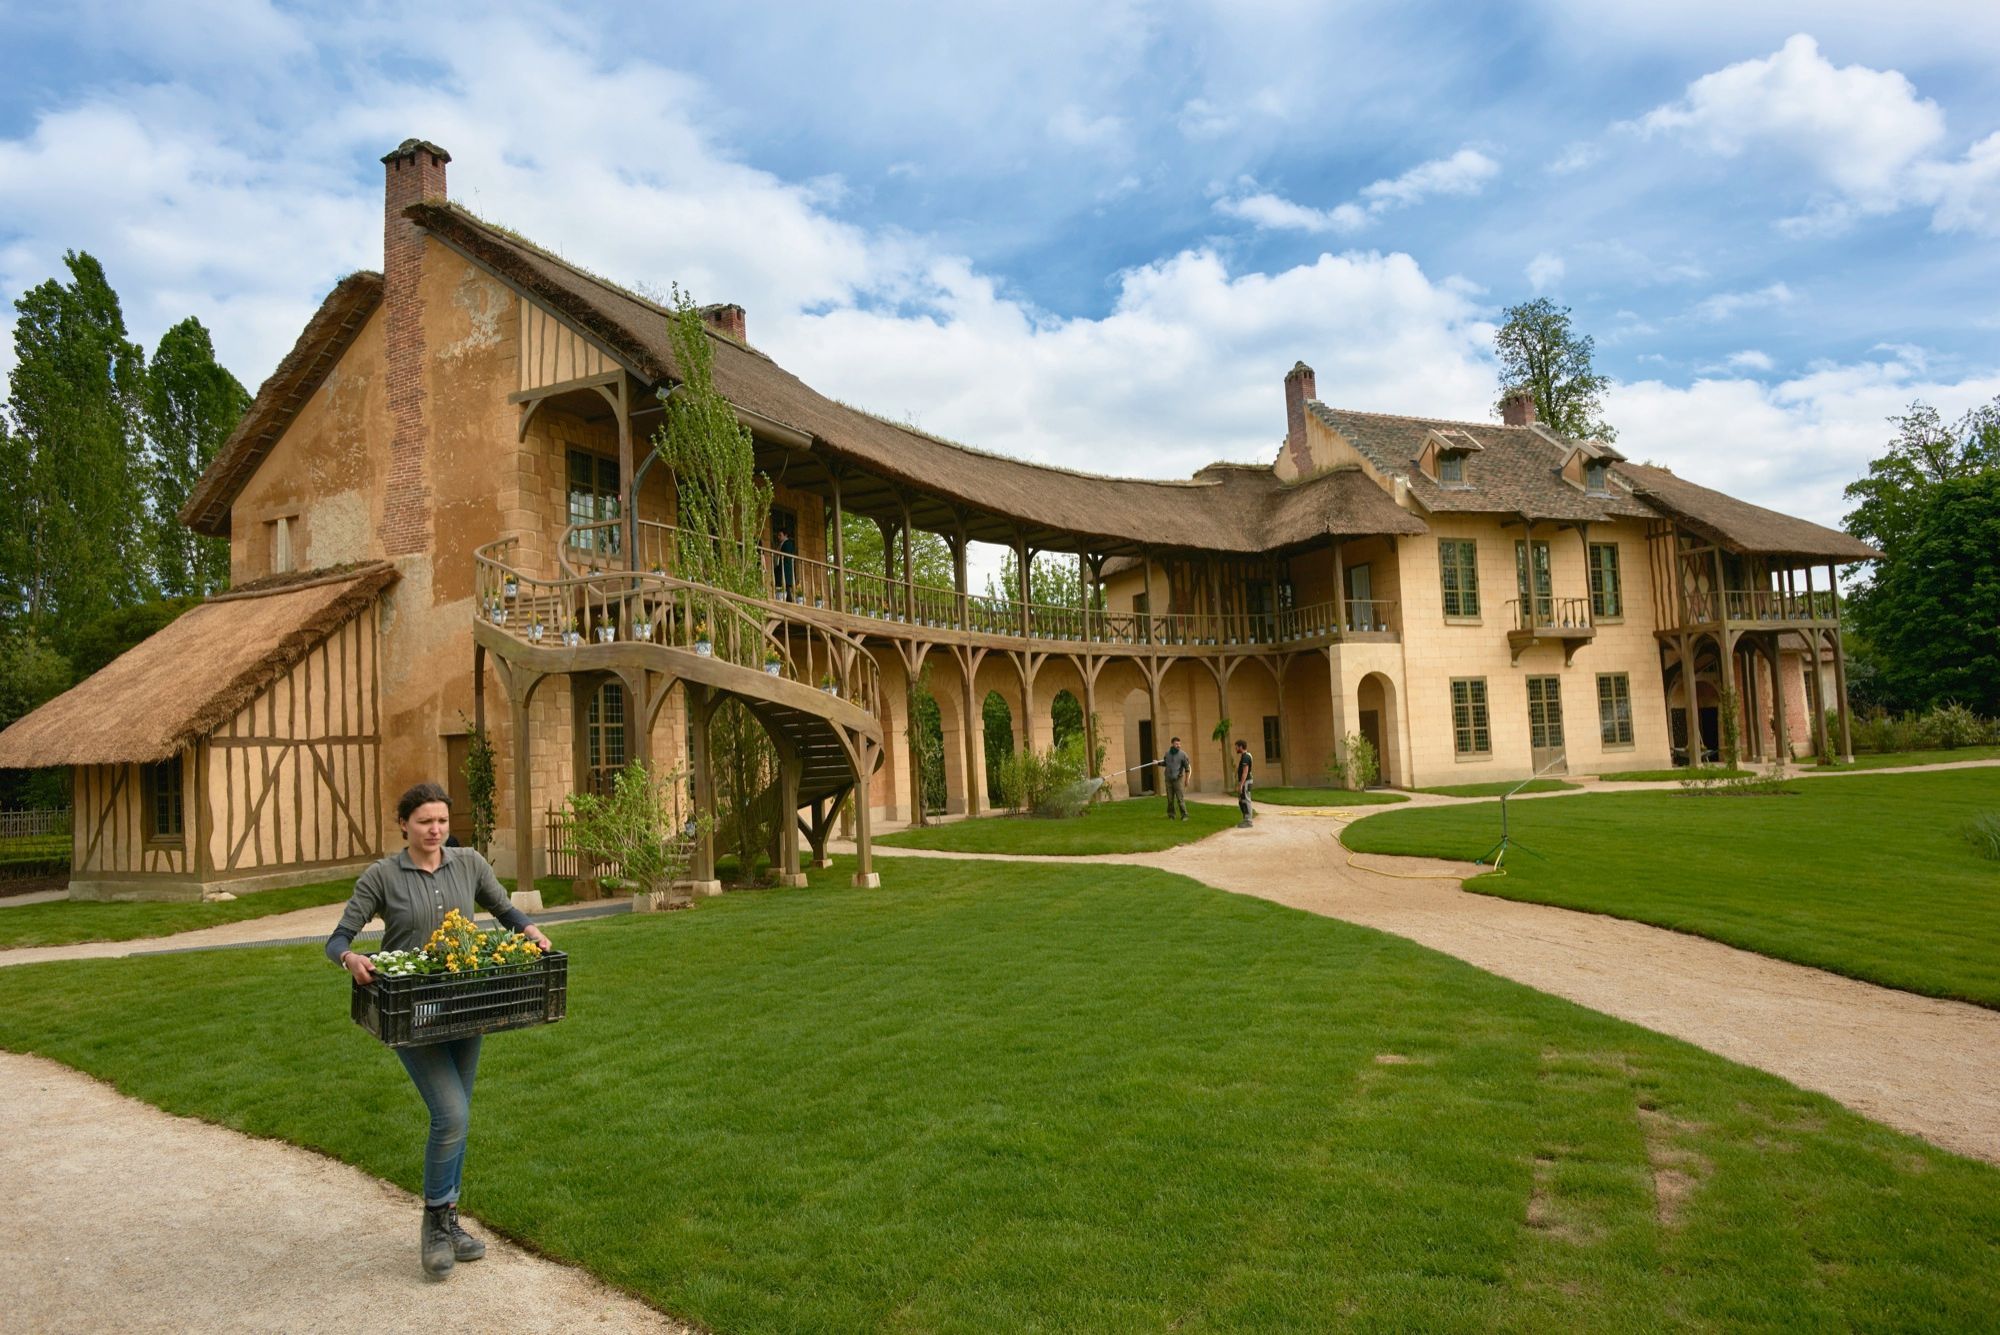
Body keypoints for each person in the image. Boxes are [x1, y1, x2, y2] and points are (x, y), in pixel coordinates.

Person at [327, 781, 553, 1280]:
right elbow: (339, 936)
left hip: (465, 1005)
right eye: (426, 821)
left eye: (443, 822)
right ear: (403, 823)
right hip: (411, 1010)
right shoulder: (382, 876)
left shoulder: (468, 862)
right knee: (449, 1114)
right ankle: (434, 1225)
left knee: (460, 1116)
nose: (435, 830)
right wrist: (350, 957)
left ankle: (449, 1221)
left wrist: (529, 931)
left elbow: (503, 909)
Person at [1160, 736, 1191, 821]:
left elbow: (1187, 768)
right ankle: (1171, 815)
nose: (1178, 745)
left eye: (1179, 744)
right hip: (1168, 779)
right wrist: (1157, 763)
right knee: (1170, 799)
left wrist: (1187, 779)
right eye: (1176, 744)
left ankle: (1184, 815)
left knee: (1180, 798)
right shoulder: (1167, 754)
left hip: (1178, 779)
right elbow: (1165, 763)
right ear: (1172, 744)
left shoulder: (1183, 755)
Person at [1234, 738, 1255, 828]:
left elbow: (1245, 772)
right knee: (1242, 801)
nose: (1236, 749)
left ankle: (1248, 821)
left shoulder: (1246, 757)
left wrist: (1241, 784)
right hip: (1245, 781)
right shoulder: (1245, 755)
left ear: (1241, 747)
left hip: (1246, 781)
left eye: (1236, 747)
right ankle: (1245, 819)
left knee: (1246, 800)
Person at [774, 525, 798, 601]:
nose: (778, 537)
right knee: (783, 589)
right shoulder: (782, 544)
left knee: (786, 589)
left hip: (785, 570)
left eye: (780, 535)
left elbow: (786, 557)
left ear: (785, 535)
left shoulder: (788, 543)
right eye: (778, 535)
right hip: (781, 570)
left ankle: (789, 603)